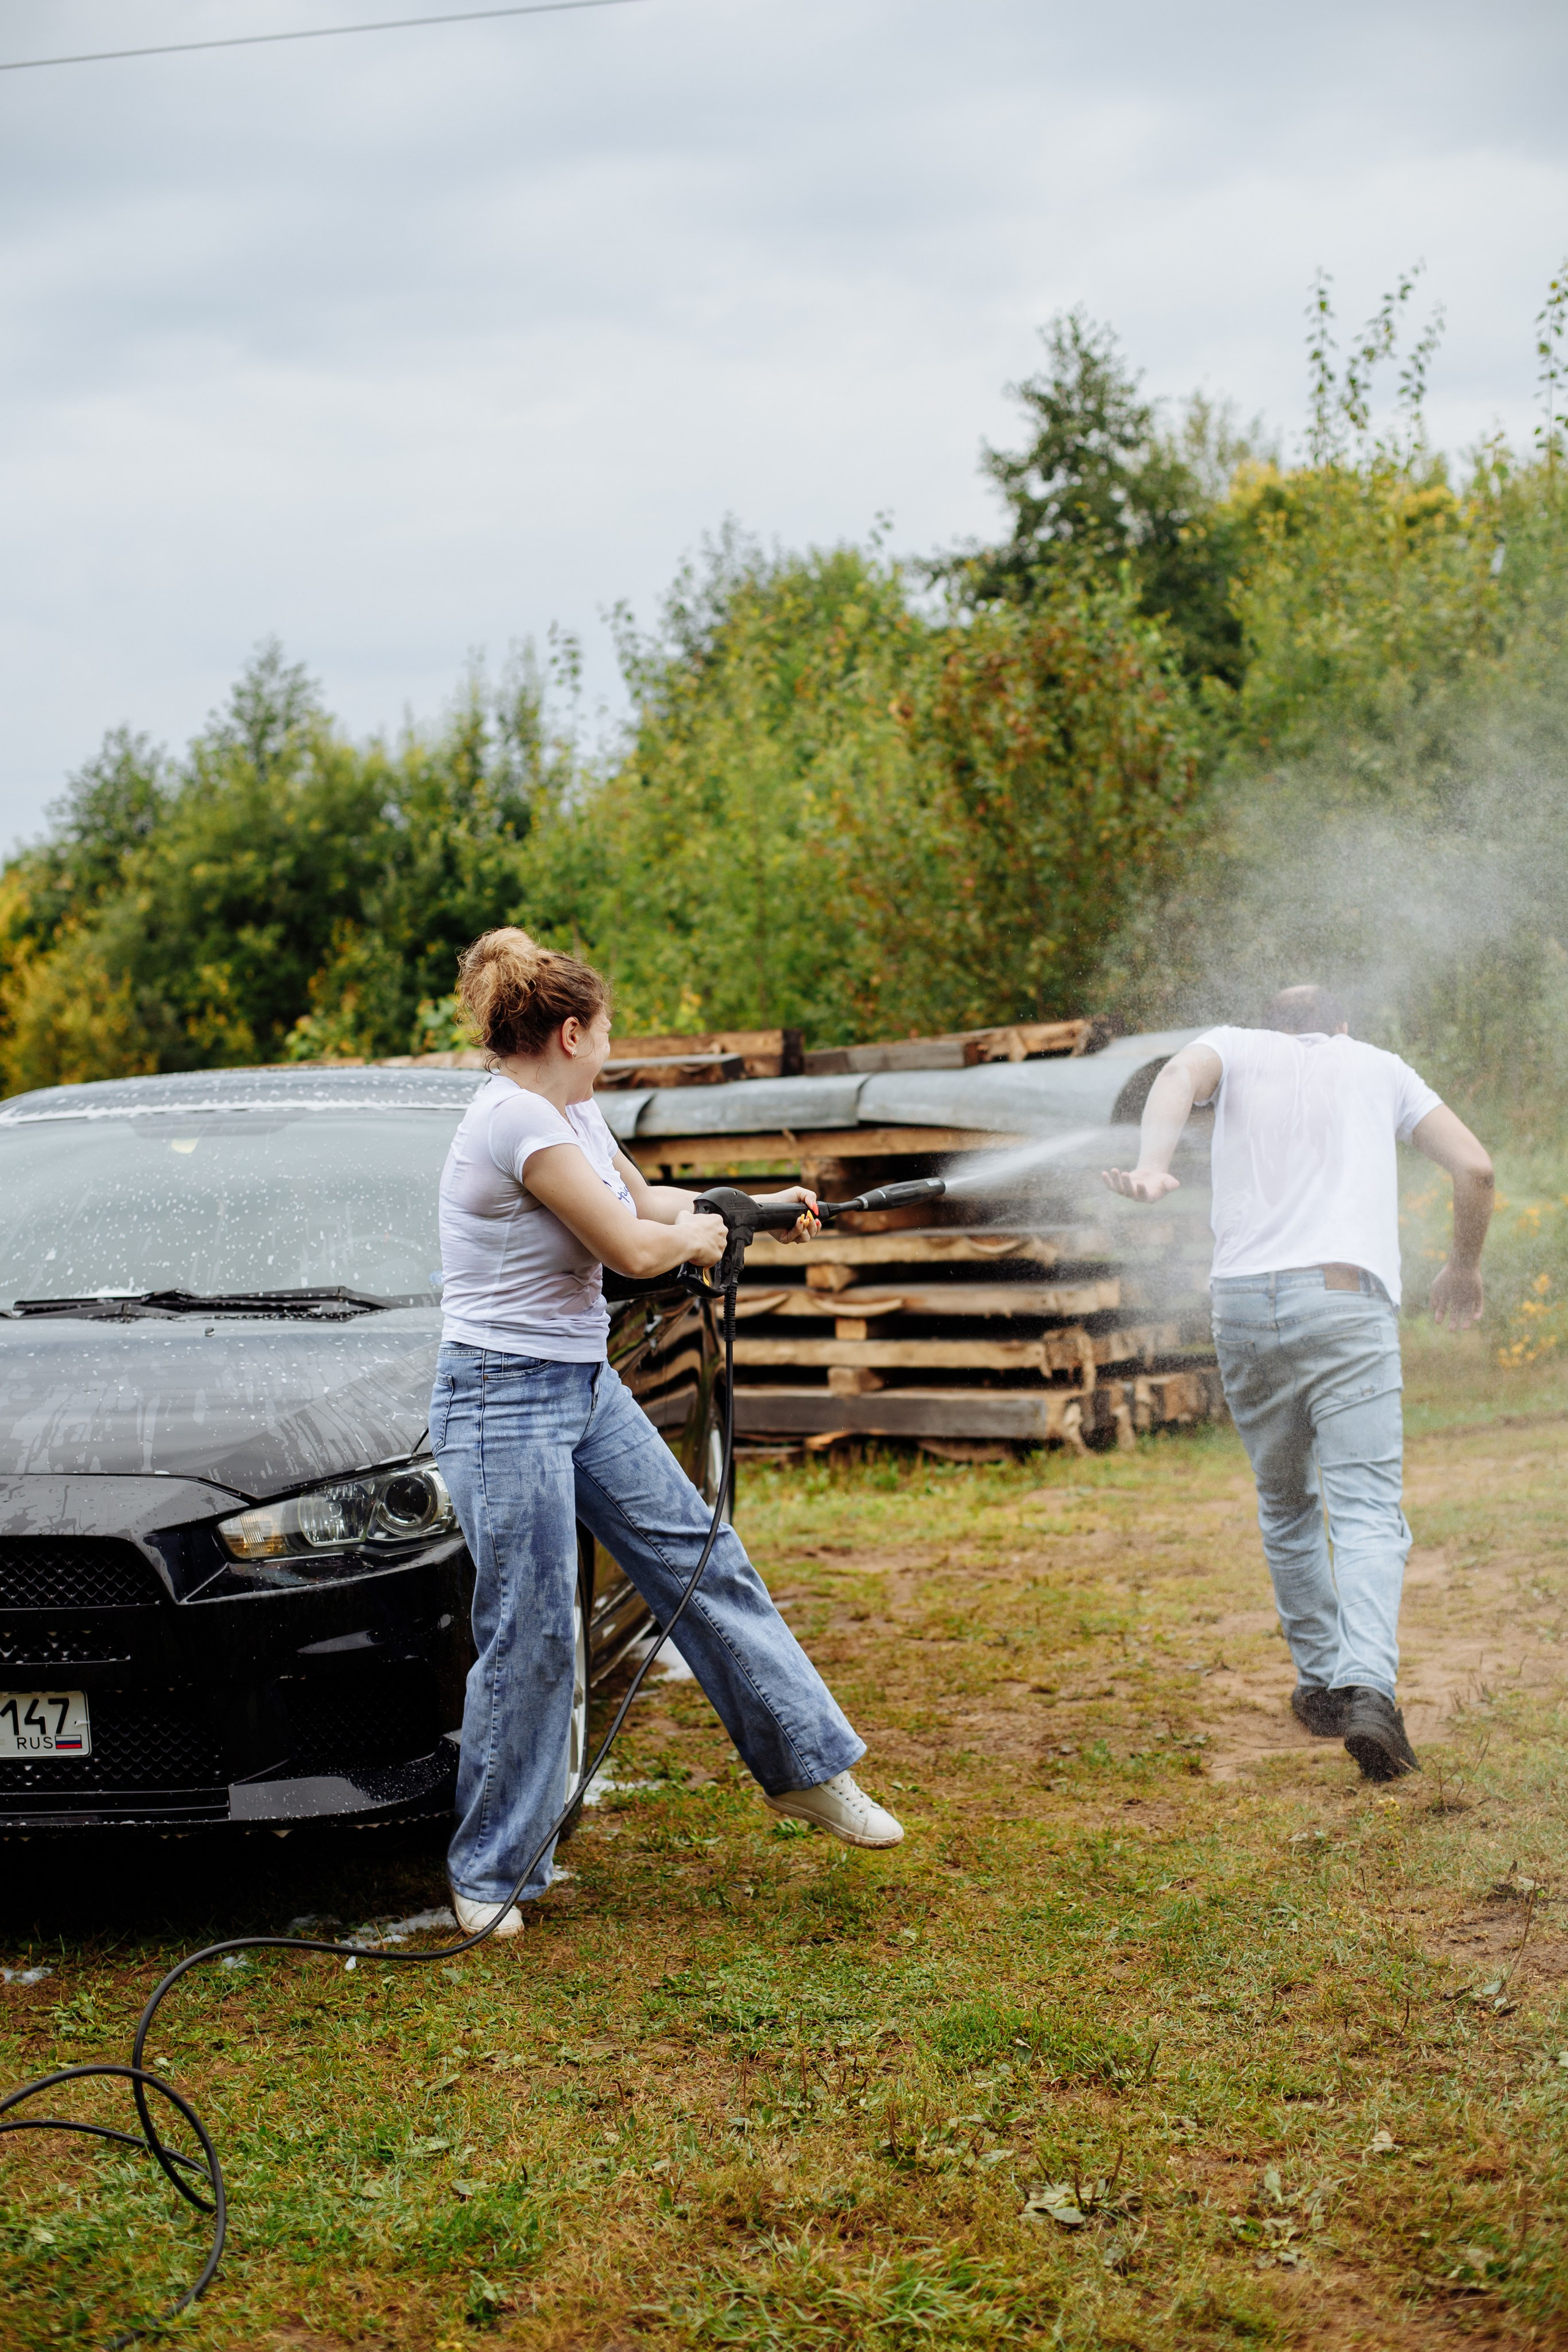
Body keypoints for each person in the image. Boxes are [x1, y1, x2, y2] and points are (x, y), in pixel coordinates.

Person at [430, 927, 903, 1935]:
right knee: (535, 1630)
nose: (612, 1049)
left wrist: (760, 1208)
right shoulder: (517, 1125)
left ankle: (803, 1768)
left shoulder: (571, 1113)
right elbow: (637, 1245)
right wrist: (692, 1237)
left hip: (576, 1386)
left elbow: (651, 1200)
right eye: (605, 1033)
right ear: (569, 1032)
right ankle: (490, 1871)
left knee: (702, 1559)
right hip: (496, 1396)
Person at [1101, 984, 1494, 1782]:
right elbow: (1477, 1168)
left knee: (1286, 1501)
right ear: (1343, 1025)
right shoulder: (1379, 1066)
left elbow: (1175, 1077)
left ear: (1267, 1025)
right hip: (1345, 1300)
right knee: (1367, 1509)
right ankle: (1369, 1692)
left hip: (1244, 1305)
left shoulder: (1235, 1046)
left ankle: (1320, 1686)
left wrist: (1152, 1167)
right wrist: (1462, 1266)